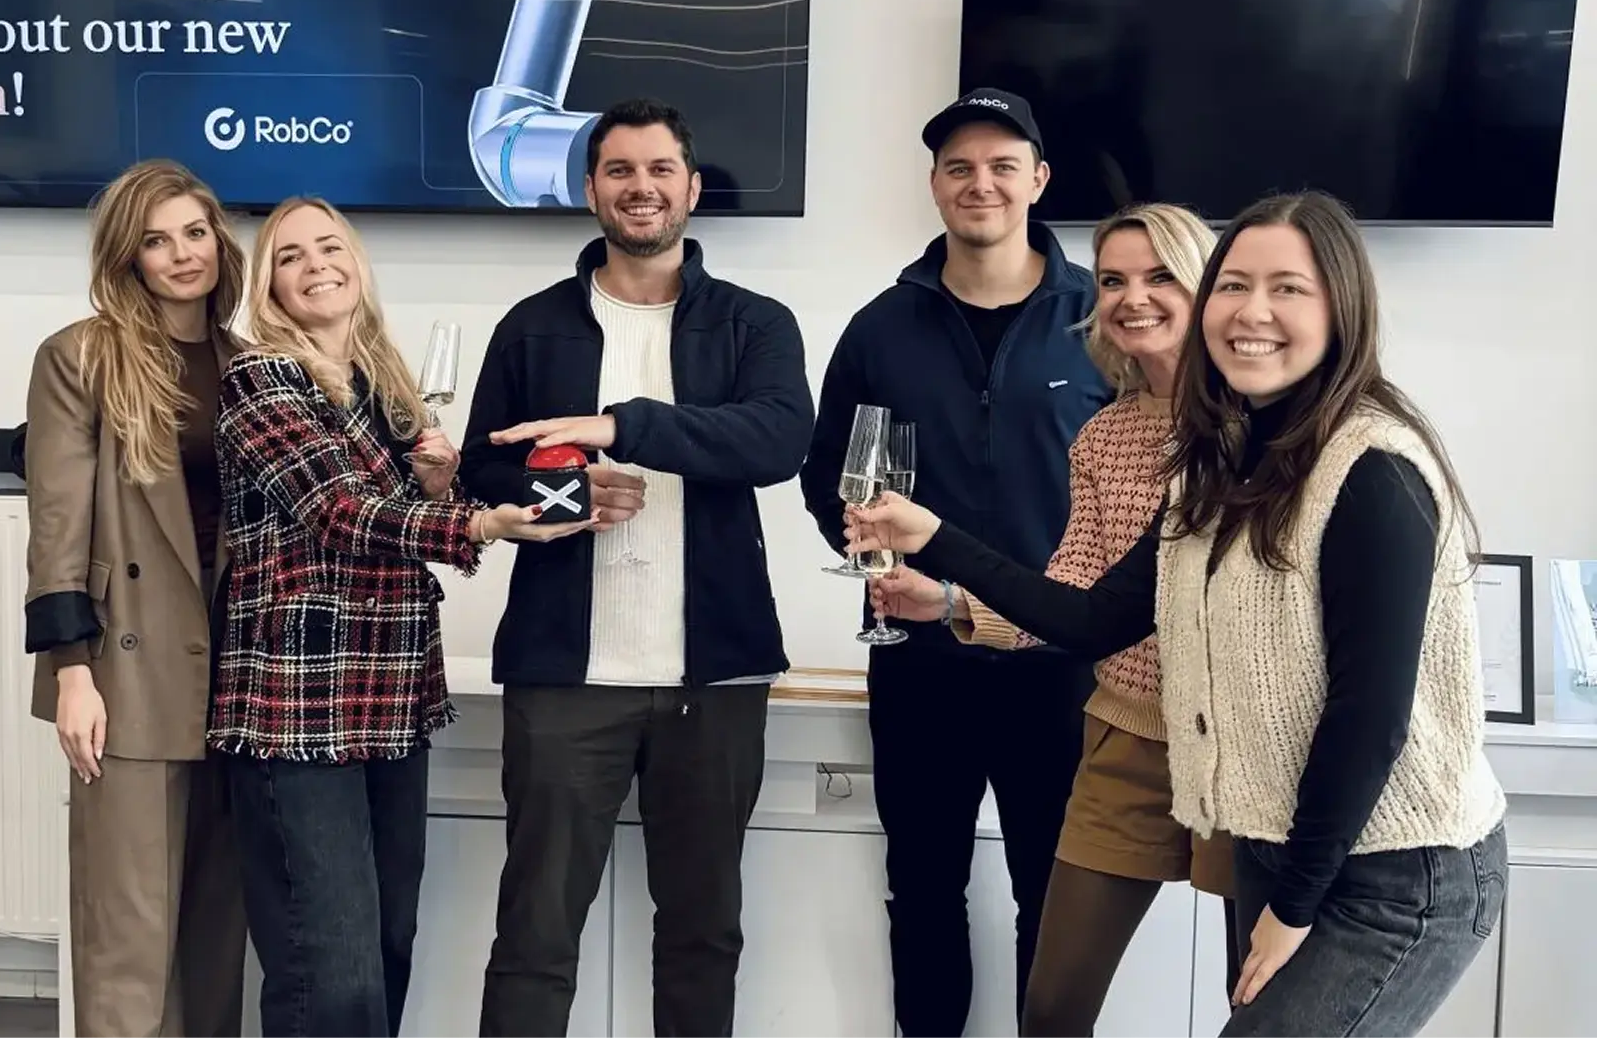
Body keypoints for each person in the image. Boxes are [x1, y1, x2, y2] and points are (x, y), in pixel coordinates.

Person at [852, 190, 1509, 1036]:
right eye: (1237, 286)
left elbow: (1369, 715)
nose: (1253, 313)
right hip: (1262, 815)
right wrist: (935, 543)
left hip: (1396, 864)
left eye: (1288, 289)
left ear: (1343, 307)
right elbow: (1093, 616)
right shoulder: (1221, 461)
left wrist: (1295, 904)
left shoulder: (1371, 466)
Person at [460, 97, 814, 1038]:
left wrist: (626, 428)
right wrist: (572, 494)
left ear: (692, 189)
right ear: (590, 191)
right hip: (565, 678)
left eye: (659, 169)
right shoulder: (534, 326)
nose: (641, 187)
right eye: (619, 170)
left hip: (717, 678)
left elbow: (779, 438)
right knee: (534, 932)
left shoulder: (755, 323)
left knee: (703, 935)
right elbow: (483, 470)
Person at [209, 196, 590, 1038]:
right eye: (290, 255)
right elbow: (340, 514)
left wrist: (440, 483)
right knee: (328, 966)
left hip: (389, 700)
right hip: (295, 709)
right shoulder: (260, 379)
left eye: (330, 247)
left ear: (358, 262)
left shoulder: (384, 383)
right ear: (267, 284)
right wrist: (481, 521)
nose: (316, 266)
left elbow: (395, 520)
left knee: (386, 944)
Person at [875, 202, 1241, 1036]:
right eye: (1113, 279)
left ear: (1206, 289)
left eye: (1159, 277)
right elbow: (1074, 598)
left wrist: (940, 545)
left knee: (1256, 998)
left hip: (1240, 742)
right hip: (1125, 732)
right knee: (1054, 1004)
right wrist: (950, 603)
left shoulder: (1255, 432)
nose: (1132, 297)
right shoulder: (1104, 435)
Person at [798, 86, 1110, 1031]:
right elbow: (829, 478)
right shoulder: (881, 325)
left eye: (1002, 165)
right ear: (935, 184)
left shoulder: (1102, 317)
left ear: (1039, 181)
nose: (981, 183)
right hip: (918, 664)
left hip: (1059, 666)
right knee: (923, 893)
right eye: (960, 167)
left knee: (1053, 904)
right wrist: (863, 552)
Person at [21, 158, 249, 1038]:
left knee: (215, 933)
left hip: (239, 674)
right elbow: (57, 523)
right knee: (129, 936)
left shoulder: (250, 361)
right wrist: (72, 672)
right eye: (157, 240)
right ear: (130, 257)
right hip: (127, 672)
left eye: (194, 232)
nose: (181, 254)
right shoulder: (81, 355)